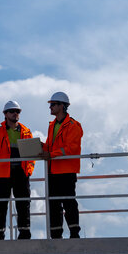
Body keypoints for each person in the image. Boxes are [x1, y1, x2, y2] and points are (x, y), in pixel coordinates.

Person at [0, 100, 35, 240]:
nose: (15, 114)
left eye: (18, 111)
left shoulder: (26, 132)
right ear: (5, 114)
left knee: (23, 203)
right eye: (12, 111)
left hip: (21, 172)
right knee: (1, 204)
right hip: (3, 173)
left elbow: (32, 155)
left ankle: (24, 234)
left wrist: (28, 170)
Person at [41, 92, 83, 239]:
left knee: (68, 202)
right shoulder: (52, 126)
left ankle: (74, 234)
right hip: (52, 170)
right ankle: (56, 235)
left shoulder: (74, 126)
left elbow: (71, 148)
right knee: (53, 204)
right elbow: (50, 146)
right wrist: (40, 148)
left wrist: (50, 154)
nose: (50, 107)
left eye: (52, 104)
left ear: (62, 106)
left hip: (66, 171)